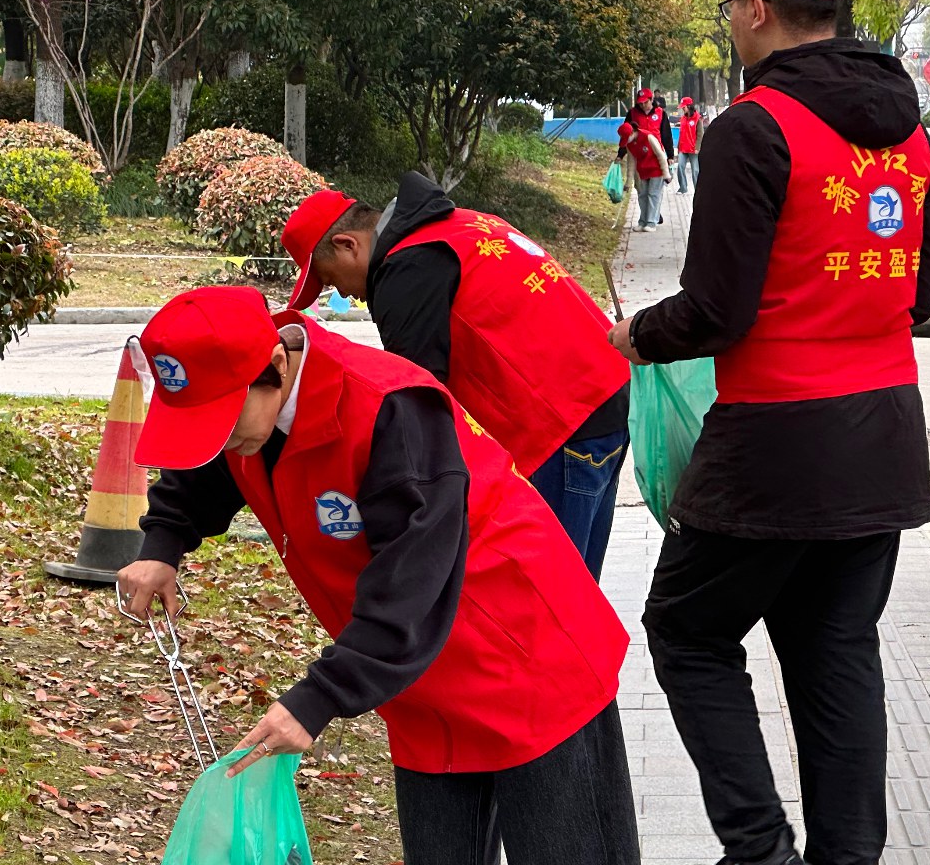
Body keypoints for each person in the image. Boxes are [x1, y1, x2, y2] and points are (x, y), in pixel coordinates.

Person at [117, 287, 671, 865]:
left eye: (228, 421)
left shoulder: (390, 409)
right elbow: (203, 470)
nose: (223, 443)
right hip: (419, 689)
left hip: (526, 656)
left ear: (277, 367)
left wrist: (316, 698)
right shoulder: (250, 418)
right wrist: (162, 541)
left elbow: (414, 582)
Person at [608, 0, 930, 865]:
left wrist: (632, 332)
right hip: (883, 431)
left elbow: (714, 309)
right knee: (835, 655)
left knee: (685, 627)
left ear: (754, 10)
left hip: (775, 437)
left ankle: (755, 850)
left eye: (727, 5)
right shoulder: (912, 135)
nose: (728, 20)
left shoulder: (755, 128)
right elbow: (919, 296)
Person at [279, 175, 631, 579]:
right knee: (577, 590)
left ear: (347, 245)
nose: (343, 292)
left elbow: (415, 394)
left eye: (328, 278)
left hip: (560, 424)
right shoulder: (461, 224)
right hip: (604, 399)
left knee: (555, 597)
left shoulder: (407, 265)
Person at [617, 89, 672, 225]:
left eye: (645, 102)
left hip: (655, 156)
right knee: (641, 190)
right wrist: (621, 154)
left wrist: (670, 155)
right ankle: (646, 216)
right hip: (639, 157)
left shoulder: (660, 113)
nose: (643, 105)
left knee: (654, 191)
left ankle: (652, 217)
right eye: (640, 103)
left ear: (651, 100)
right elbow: (626, 135)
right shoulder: (632, 113)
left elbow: (666, 134)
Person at [618, 121, 667, 233]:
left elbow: (661, 155)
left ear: (632, 132)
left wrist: (666, 173)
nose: (627, 141)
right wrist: (628, 182)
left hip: (656, 169)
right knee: (642, 194)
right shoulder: (630, 144)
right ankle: (643, 221)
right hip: (643, 171)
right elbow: (631, 163)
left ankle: (651, 222)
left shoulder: (648, 137)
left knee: (653, 195)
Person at [675, 97, 702, 194]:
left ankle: (698, 190)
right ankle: (683, 188)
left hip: (693, 149)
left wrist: (697, 147)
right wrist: (678, 147)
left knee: (695, 170)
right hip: (683, 148)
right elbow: (681, 133)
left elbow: (700, 134)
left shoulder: (698, 119)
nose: (683, 109)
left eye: (684, 107)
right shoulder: (682, 119)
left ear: (689, 106)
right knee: (680, 167)